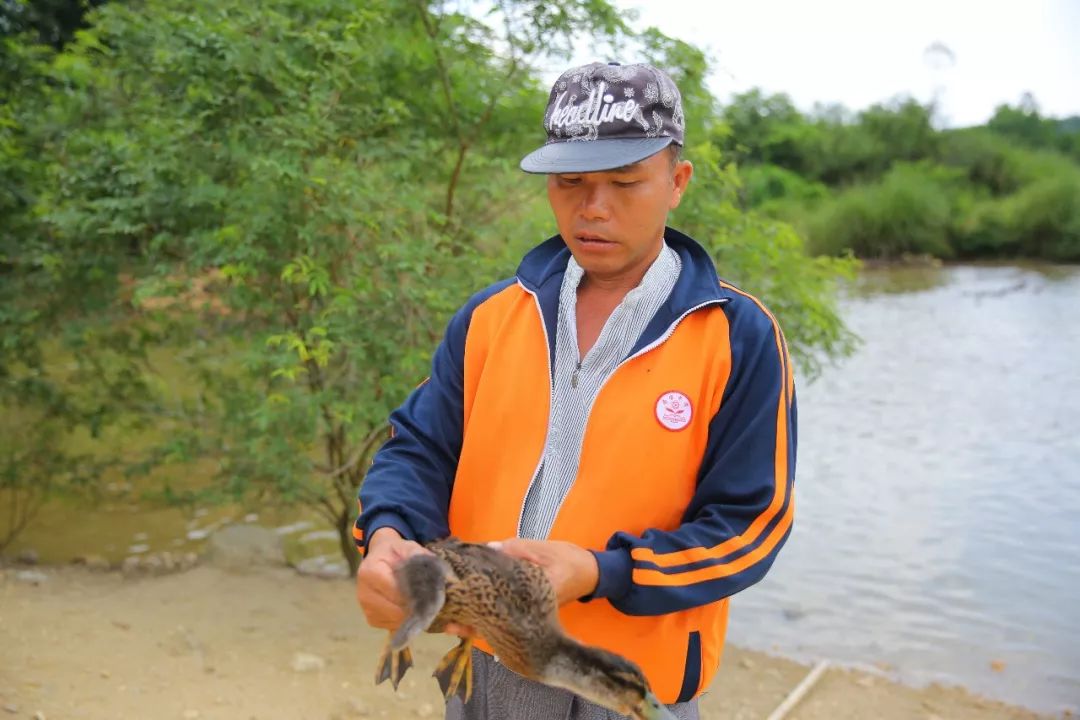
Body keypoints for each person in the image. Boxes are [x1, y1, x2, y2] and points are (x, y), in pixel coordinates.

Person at [354, 61, 796, 720]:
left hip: (632, 678)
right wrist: (387, 534)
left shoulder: (736, 336)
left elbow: (750, 526)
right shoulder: (491, 318)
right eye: (570, 183)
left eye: (625, 182)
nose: (594, 208)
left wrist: (601, 571)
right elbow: (416, 450)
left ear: (677, 182)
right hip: (486, 661)